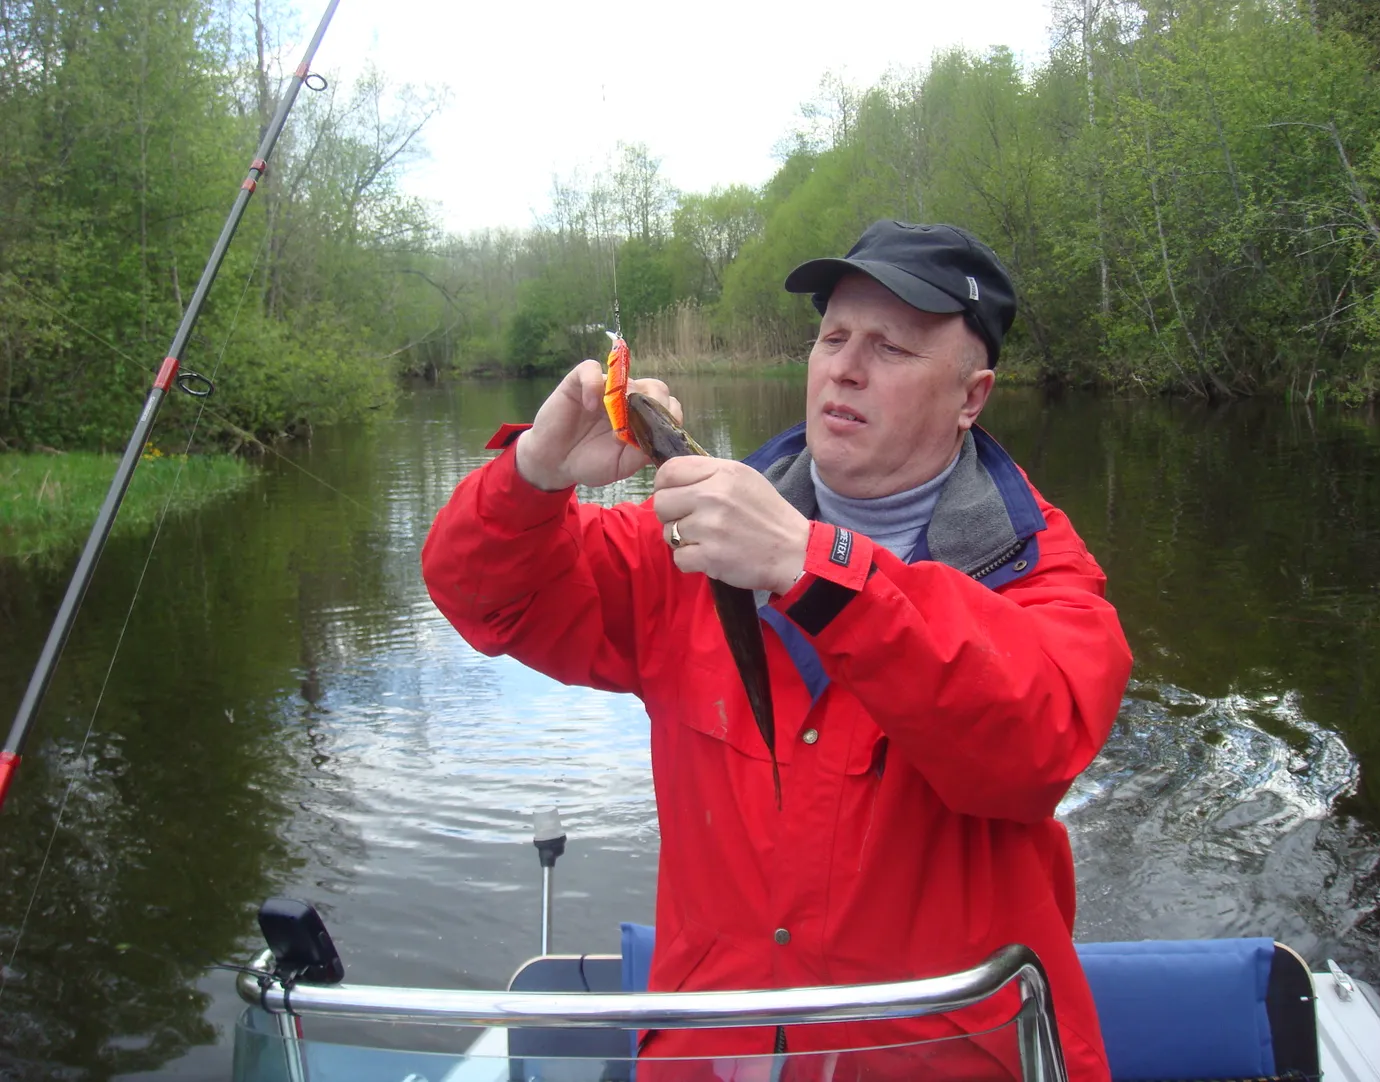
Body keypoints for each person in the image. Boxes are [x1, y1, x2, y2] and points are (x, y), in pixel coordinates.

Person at [422, 220, 1132, 1082]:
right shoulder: (682, 543)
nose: (846, 366)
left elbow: (1029, 746)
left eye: (892, 347)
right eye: (832, 336)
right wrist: (534, 473)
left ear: (971, 397)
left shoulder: (1041, 572)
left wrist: (815, 567)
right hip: (714, 1053)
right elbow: (490, 597)